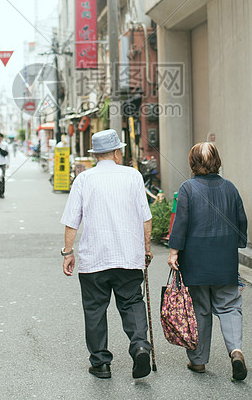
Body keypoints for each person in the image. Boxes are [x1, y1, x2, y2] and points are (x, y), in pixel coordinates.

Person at [60, 129, 154, 380]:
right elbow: (146, 218)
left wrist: (67, 252)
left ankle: (101, 363)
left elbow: (72, 221)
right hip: (127, 256)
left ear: (95, 155)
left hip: (94, 260)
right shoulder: (132, 176)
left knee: (95, 310)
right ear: (116, 152)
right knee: (132, 302)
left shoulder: (84, 179)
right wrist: (145, 250)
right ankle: (140, 345)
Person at [167, 142, 248, 381]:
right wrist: (238, 242)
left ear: (193, 163)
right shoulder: (230, 188)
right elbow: (241, 220)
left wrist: (174, 253)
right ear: (217, 162)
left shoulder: (188, 188)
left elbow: (180, 223)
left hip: (196, 260)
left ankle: (199, 361)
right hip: (225, 259)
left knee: (199, 309)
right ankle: (235, 351)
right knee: (230, 305)